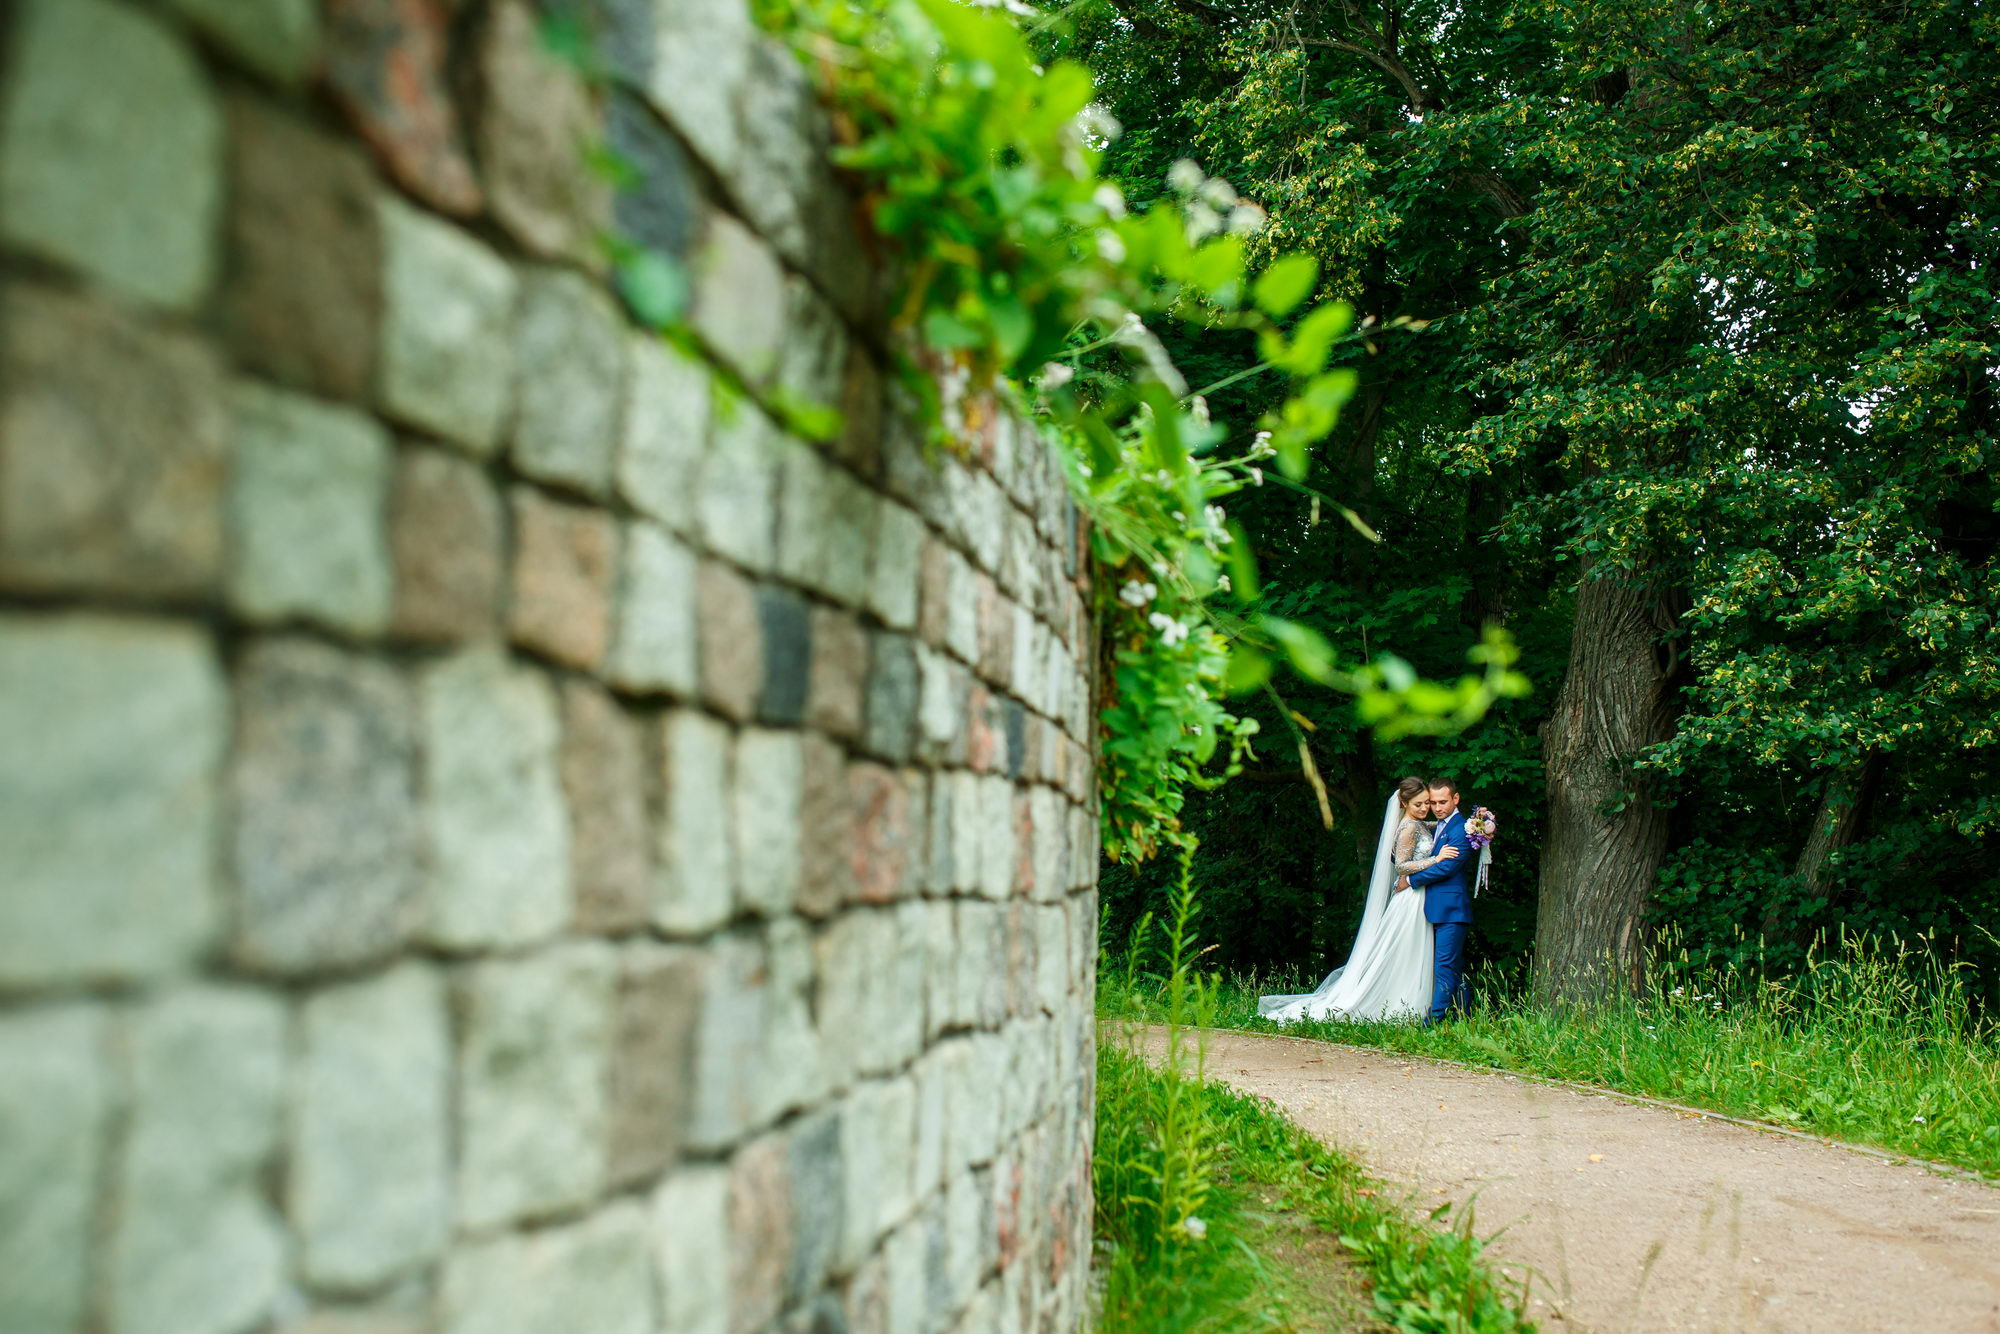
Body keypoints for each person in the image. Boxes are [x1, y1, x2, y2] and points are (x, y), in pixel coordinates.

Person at [1257, 777, 1451, 1024]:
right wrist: (1437, 859)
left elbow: (1440, 825)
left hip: (1417, 896)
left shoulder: (1419, 823)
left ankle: (1412, 1002)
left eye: (1426, 804)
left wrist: (1474, 823)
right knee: (1404, 951)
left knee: (1410, 952)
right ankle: (1400, 1003)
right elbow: (1402, 867)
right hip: (1409, 900)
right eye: (1418, 804)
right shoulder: (1409, 827)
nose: (1424, 809)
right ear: (1403, 803)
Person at [1406, 777, 1475, 1024]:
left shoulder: (1462, 827)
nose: (1437, 807)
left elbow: (1448, 867)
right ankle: (1464, 1015)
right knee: (1451, 966)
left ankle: (1433, 1022)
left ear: (1456, 799)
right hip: (1435, 908)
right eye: (1433, 802)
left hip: (1451, 909)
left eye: (1443, 801)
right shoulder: (1439, 825)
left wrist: (1411, 880)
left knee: (1444, 966)